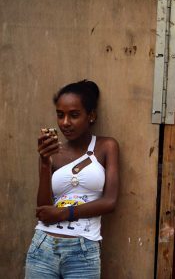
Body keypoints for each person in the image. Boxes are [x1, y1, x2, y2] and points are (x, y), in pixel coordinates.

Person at [25, 80, 120, 279]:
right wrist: (44, 162)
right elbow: (43, 208)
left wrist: (62, 213)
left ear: (91, 116)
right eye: (60, 115)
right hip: (43, 246)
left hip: (83, 250)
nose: (65, 122)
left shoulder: (106, 146)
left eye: (74, 115)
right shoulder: (53, 153)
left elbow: (109, 202)